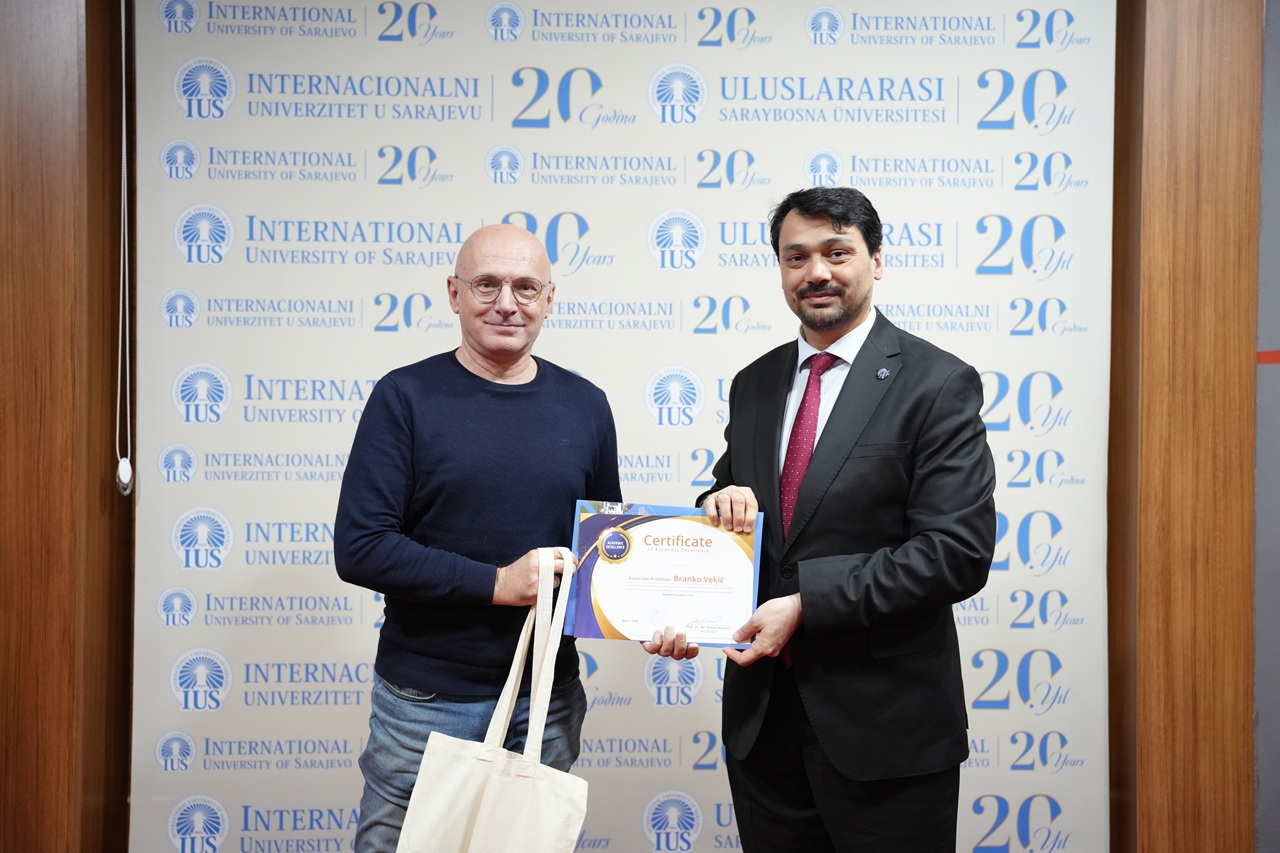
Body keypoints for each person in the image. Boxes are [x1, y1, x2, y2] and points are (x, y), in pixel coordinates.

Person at [645, 186, 996, 851]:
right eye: (796, 256)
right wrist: (712, 523)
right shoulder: (755, 382)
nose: (816, 272)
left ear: (876, 261)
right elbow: (739, 507)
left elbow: (956, 553)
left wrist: (807, 604)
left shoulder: (937, 383)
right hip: (761, 726)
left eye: (837, 252)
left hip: (886, 729)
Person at [334, 223, 622, 853]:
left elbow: (604, 553)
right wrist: (497, 584)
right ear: (454, 293)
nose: (506, 303)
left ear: (549, 298)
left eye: (526, 287)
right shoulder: (404, 397)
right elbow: (361, 547)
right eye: (487, 284)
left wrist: (655, 613)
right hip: (427, 701)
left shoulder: (587, 405)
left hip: (547, 697)